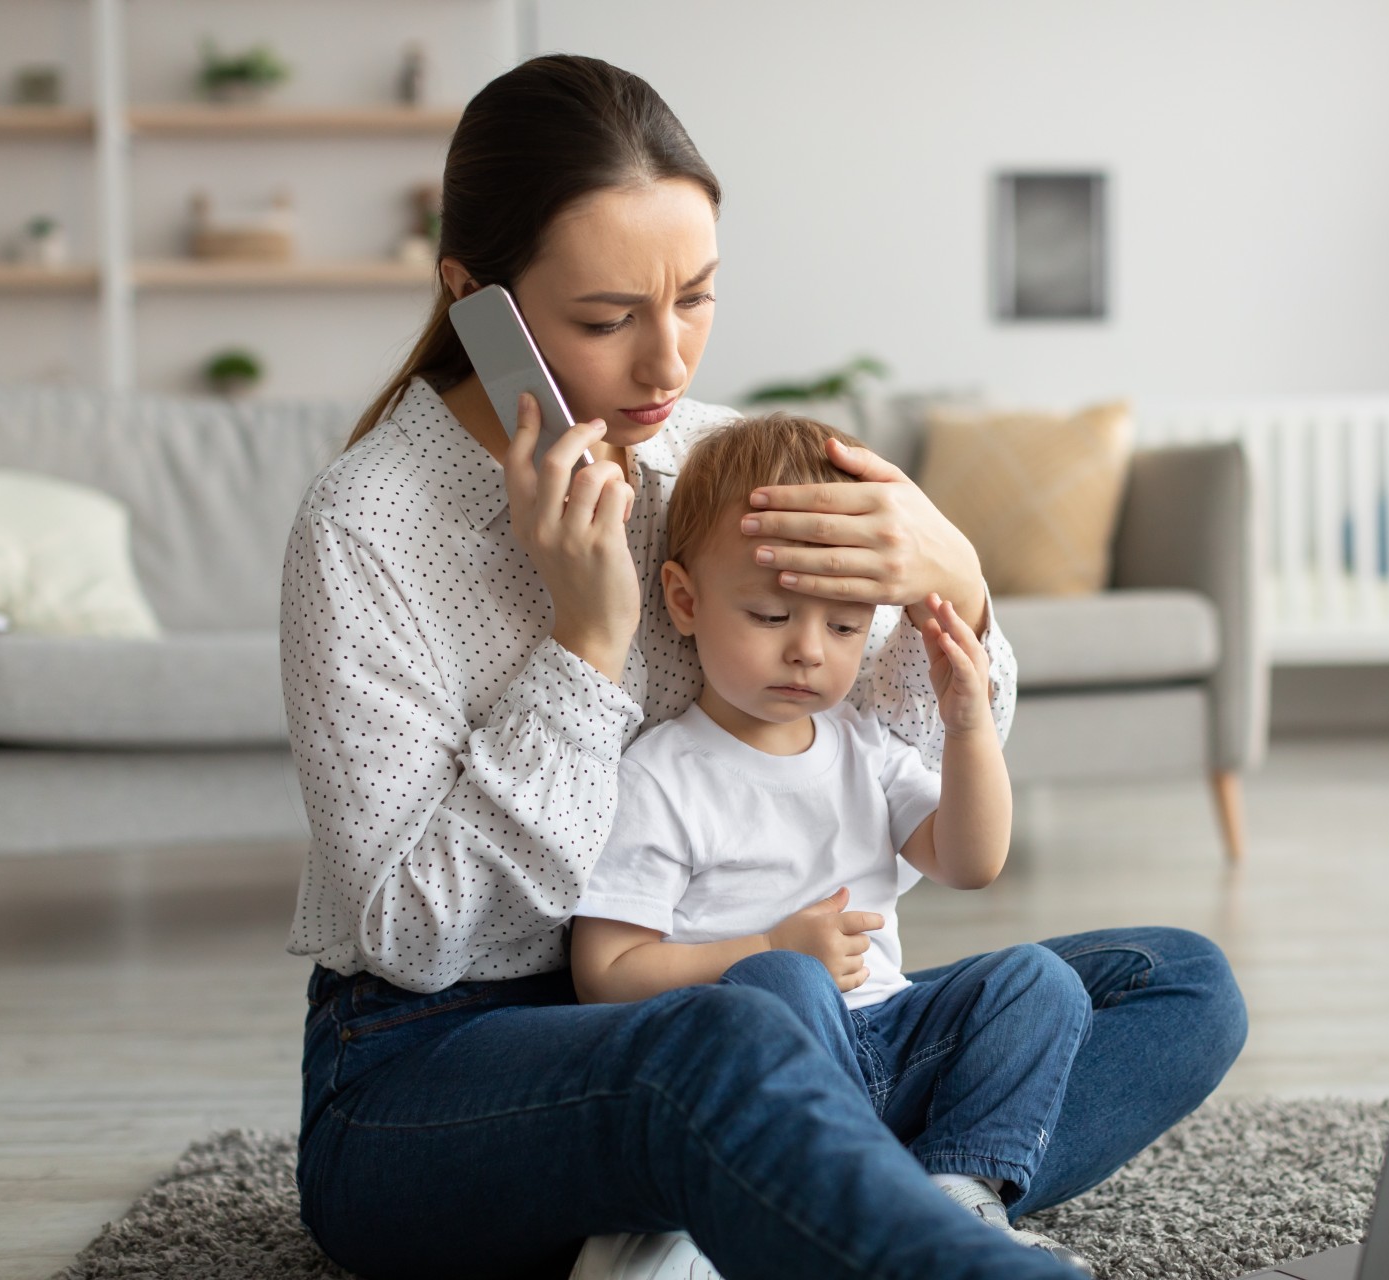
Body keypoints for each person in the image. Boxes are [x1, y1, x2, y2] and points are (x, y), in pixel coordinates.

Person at [283, 52, 1248, 1280]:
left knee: (1175, 985)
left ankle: (729, 1206)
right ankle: (920, 1239)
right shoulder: (366, 527)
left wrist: (954, 582)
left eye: (695, 297)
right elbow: (416, 934)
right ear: (478, 300)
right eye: (604, 319)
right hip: (434, 1068)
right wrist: (586, 646)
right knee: (740, 1033)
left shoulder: (720, 465)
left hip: (763, 1009)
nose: (668, 364)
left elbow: (898, 755)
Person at [569, 415, 1096, 1270]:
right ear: (684, 600)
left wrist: (968, 730)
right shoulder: (663, 774)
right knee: (781, 982)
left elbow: (971, 861)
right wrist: (773, 947)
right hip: (764, 1065)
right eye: (771, 614)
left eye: (846, 627)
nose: (809, 651)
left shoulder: (864, 746)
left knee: (1038, 981)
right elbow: (607, 973)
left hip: (886, 1039)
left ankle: (956, 1191)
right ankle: (795, 1202)